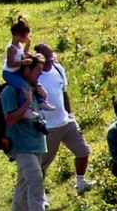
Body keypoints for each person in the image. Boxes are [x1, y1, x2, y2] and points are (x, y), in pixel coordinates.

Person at [1, 58, 53, 211]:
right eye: (37, 69)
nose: (40, 73)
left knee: (23, 185)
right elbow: (9, 119)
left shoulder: (31, 88)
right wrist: (26, 103)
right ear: (26, 70)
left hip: (35, 143)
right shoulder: (10, 91)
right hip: (22, 145)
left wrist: (41, 97)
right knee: (36, 180)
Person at [34, 42, 96, 194]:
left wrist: (71, 115)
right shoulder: (35, 75)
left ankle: (81, 183)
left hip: (65, 122)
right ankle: (39, 195)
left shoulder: (58, 69)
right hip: (47, 127)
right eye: (47, 59)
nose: (51, 61)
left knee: (83, 151)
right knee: (42, 164)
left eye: (52, 57)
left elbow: (64, 93)